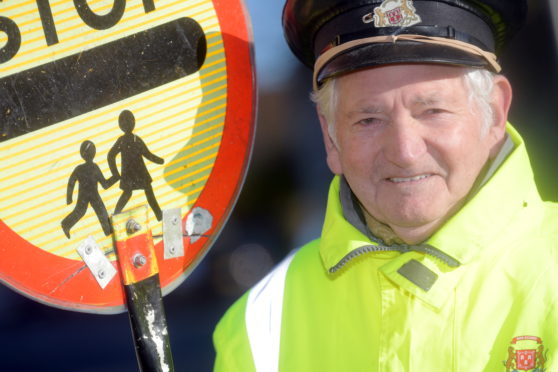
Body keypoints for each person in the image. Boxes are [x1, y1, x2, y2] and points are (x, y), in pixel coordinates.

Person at [213, 0, 558, 371]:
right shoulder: (260, 323)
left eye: (433, 111)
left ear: (494, 114)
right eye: (369, 119)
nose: (405, 152)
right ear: (330, 137)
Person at [108, 109, 165, 221]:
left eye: (129, 121)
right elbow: (111, 155)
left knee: (142, 192)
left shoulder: (132, 139)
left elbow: (147, 154)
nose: (128, 124)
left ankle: (159, 215)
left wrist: (159, 160)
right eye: (125, 122)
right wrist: (115, 173)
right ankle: (116, 215)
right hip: (134, 173)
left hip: (137, 172)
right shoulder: (124, 140)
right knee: (131, 193)